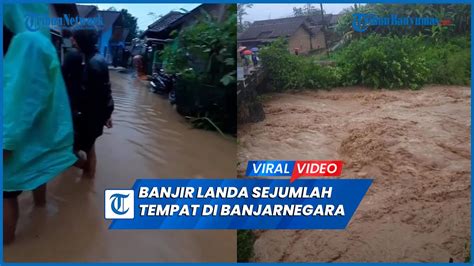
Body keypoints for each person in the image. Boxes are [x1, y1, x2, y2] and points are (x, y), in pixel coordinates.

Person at [3, 4, 77, 244]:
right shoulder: (39, 41)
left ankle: (7, 245)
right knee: (37, 168)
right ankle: (40, 206)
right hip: (38, 127)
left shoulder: (26, 43)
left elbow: (20, 98)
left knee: (6, 193)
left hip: (17, 129)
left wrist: (7, 140)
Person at [64, 27, 114, 178]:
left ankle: (86, 168)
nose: (72, 40)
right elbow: (106, 91)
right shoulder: (95, 58)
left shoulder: (92, 64)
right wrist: (107, 115)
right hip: (93, 117)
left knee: (65, 151)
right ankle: (88, 185)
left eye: (74, 38)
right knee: (90, 147)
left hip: (86, 117)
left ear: (81, 41)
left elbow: (96, 94)